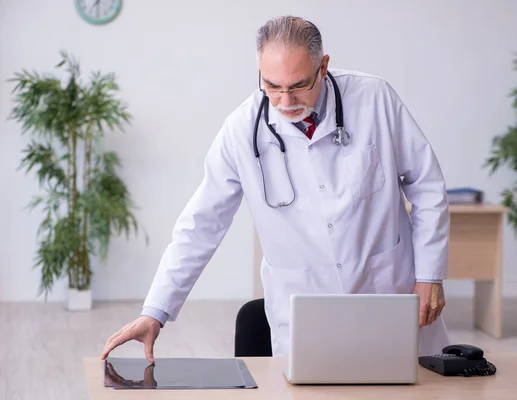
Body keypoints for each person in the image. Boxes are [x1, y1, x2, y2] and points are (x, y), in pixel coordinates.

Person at [101, 15, 451, 363]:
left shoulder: (375, 99)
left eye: (298, 85)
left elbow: (426, 184)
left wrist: (429, 275)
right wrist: (156, 311)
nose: (285, 102)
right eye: (271, 86)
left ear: (323, 66)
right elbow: (201, 224)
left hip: (388, 295)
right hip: (304, 312)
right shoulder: (241, 130)